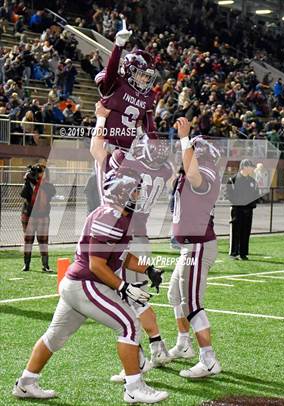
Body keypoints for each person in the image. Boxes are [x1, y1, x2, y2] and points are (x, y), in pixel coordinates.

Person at [13, 167, 168, 404]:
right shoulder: (110, 216)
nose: (139, 195)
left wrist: (147, 268)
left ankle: (25, 383)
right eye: (135, 191)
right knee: (129, 325)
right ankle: (134, 387)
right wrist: (124, 287)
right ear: (121, 193)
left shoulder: (119, 215)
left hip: (77, 284)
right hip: (85, 282)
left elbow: (121, 255)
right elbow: (96, 264)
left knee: (55, 336)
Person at [107, 136, 174, 382]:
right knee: (139, 298)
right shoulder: (164, 169)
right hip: (142, 239)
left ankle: (140, 359)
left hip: (129, 240)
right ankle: (158, 347)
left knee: (128, 301)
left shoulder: (130, 163)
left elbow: (113, 152)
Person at [167, 117, 222, 379]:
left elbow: (192, 174)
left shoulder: (207, 171)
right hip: (188, 247)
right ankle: (183, 343)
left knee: (192, 303)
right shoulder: (188, 172)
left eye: (192, 150)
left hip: (200, 246)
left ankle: (208, 359)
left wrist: (185, 138)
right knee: (174, 296)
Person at [91, 18, 157, 202]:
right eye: (141, 74)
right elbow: (109, 76)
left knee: (130, 202)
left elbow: (150, 129)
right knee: (110, 199)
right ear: (129, 70)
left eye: (147, 75)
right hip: (108, 146)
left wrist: (156, 150)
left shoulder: (148, 96)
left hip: (130, 151)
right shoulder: (116, 83)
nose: (144, 79)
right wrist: (118, 46)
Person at [20, 163, 56, 272]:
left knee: (43, 241)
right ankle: (26, 264)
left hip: (43, 216)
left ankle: (45, 265)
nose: (40, 173)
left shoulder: (48, 185)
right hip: (29, 215)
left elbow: (51, 193)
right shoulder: (30, 183)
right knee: (28, 241)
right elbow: (23, 194)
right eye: (38, 171)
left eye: (42, 171)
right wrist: (27, 181)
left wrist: (37, 182)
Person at [227, 159, 259, 260]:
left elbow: (256, 194)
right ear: (244, 167)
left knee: (246, 231)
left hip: (248, 210)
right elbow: (229, 194)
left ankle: (243, 253)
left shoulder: (252, 181)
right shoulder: (233, 179)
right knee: (236, 231)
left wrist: (252, 205)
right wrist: (238, 204)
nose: (252, 169)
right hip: (237, 209)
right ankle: (234, 252)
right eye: (251, 167)